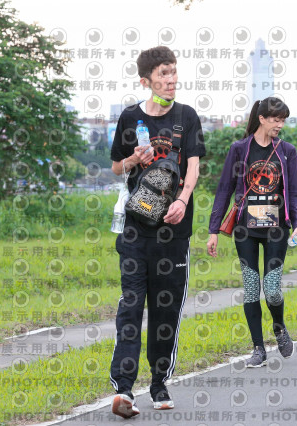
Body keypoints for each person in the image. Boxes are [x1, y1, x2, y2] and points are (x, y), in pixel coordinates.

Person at [108, 46, 206, 418]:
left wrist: (182, 200)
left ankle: (159, 382)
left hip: (173, 233)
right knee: (131, 306)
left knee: (166, 309)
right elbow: (117, 167)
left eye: (173, 72)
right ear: (146, 81)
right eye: (163, 74)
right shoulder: (130, 117)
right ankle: (124, 389)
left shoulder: (187, 116)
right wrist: (135, 158)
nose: (171, 80)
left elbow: (193, 166)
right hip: (136, 230)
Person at [207, 97, 297, 367]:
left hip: (277, 229)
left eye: (283, 120)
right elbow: (224, 190)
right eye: (276, 119)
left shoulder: (287, 151)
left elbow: (295, 193)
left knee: (272, 289)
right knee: (251, 289)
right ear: (262, 118)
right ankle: (258, 348)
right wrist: (213, 230)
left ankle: (279, 327)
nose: (280, 125)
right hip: (245, 230)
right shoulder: (239, 149)